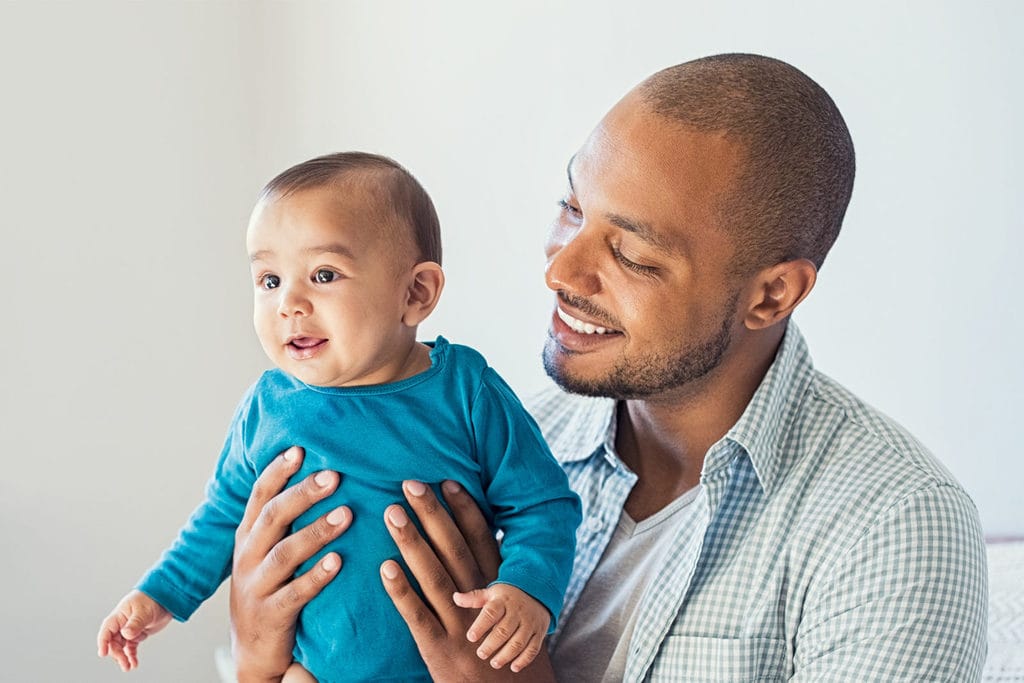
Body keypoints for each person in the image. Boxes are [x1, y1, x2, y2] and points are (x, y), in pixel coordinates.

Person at [229, 54, 989, 682]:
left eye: (631, 253)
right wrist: (260, 659)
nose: (562, 270)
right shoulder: (506, 444)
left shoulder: (893, 525)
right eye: (570, 205)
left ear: (771, 293)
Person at [95, 152, 582, 682]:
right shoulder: (267, 405)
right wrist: (158, 594)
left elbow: (543, 505)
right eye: (269, 280)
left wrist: (527, 589)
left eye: (323, 274)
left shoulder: (465, 390)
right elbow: (223, 516)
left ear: (415, 292)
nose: (288, 304)